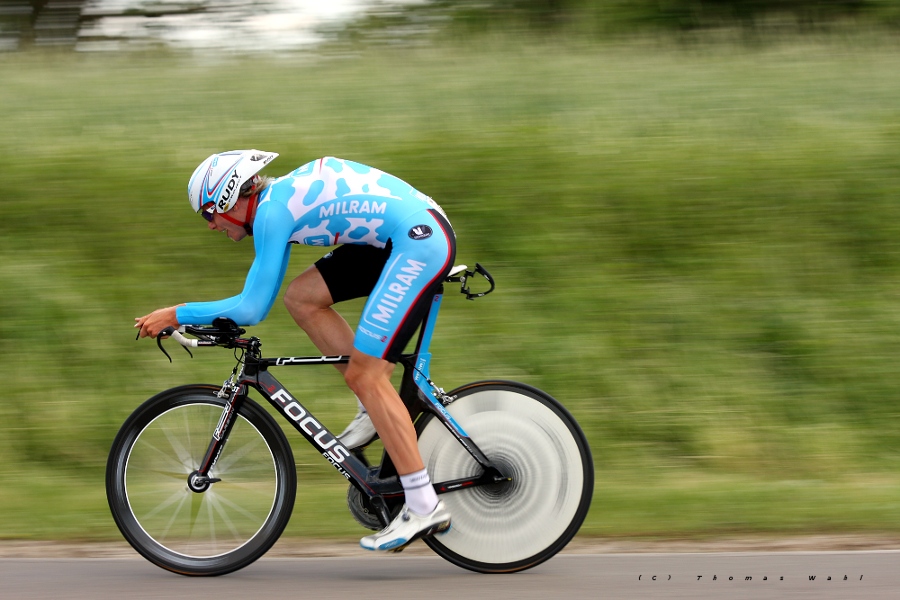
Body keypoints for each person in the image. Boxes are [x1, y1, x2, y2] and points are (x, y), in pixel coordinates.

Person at [134, 150, 455, 551]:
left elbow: (252, 307)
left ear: (228, 200)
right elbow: (263, 298)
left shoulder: (271, 213)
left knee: (366, 374)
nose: (211, 226)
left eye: (208, 215)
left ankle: (424, 505)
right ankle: (372, 406)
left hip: (418, 242)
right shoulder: (276, 206)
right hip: (405, 234)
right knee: (302, 298)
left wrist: (175, 313)